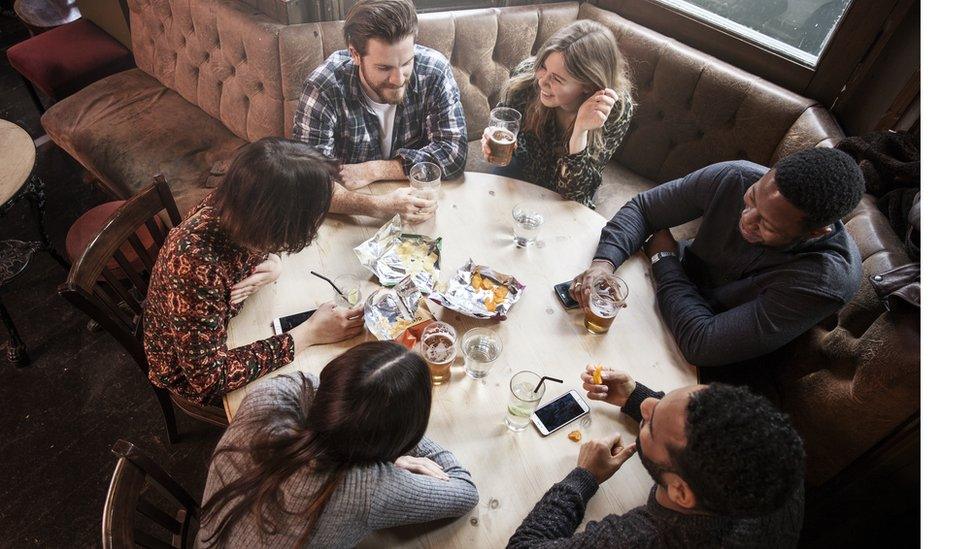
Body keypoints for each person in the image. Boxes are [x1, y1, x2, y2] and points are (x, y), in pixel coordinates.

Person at [571, 148, 866, 367]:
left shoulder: (826, 280)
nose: (746, 220)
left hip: (699, 357)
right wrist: (602, 264)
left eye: (767, 225)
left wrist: (663, 258)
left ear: (815, 233)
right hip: (663, 295)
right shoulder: (737, 176)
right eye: (751, 199)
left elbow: (703, 344)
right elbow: (644, 209)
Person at [143, 138, 365, 405]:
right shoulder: (195, 264)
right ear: (278, 222)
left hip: (225, 318)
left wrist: (272, 263)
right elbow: (207, 379)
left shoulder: (242, 199)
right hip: (189, 370)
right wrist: (309, 334)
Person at [198, 341, 479, 547]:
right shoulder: (364, 489)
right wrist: (397, 447)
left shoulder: (273, 393)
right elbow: (465, 493)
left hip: (208, 538)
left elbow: (320, 388)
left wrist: (385, 436)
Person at [508, 365, 805, 547]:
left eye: (650, 424)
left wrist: (584, 477)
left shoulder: (647, 538)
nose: (647, 404)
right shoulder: (773, 457)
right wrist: (633, 396)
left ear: (680, 491)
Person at [294, 0, 467, 224]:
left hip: (419, 205)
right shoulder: (323, 88)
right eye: (384, 68)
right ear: (355, 54)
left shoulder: (434, 70)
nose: (398, 79)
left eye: (406, 62)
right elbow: (310, 185)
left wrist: (374, 170)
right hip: (353, 214)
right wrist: (378, 206)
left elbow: (454, 155)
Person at [481, 20, 634, 209]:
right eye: (543, 66)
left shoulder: (614, 110)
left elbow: (575, 192)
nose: (542, 82)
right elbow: (502, 123)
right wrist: (491, 137)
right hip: (523, 165)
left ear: (588, 85)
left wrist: (580, 131)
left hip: (572, 182)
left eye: (557, 79)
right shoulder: (527, 78)